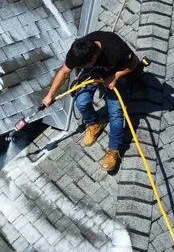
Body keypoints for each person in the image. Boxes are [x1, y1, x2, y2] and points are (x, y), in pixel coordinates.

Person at [42, 30, 140, 172]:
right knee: (81, 101)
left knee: (116, 113)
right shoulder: (78, 50)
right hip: (95, 71)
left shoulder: (115, 49)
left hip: (117, 70)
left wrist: (115, 77)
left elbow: (134, 63)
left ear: (94, 57)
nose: (79, 69)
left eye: (83, 66)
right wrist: (50, 95)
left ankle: (114, 150)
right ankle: (95, 123)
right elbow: (64, 71)